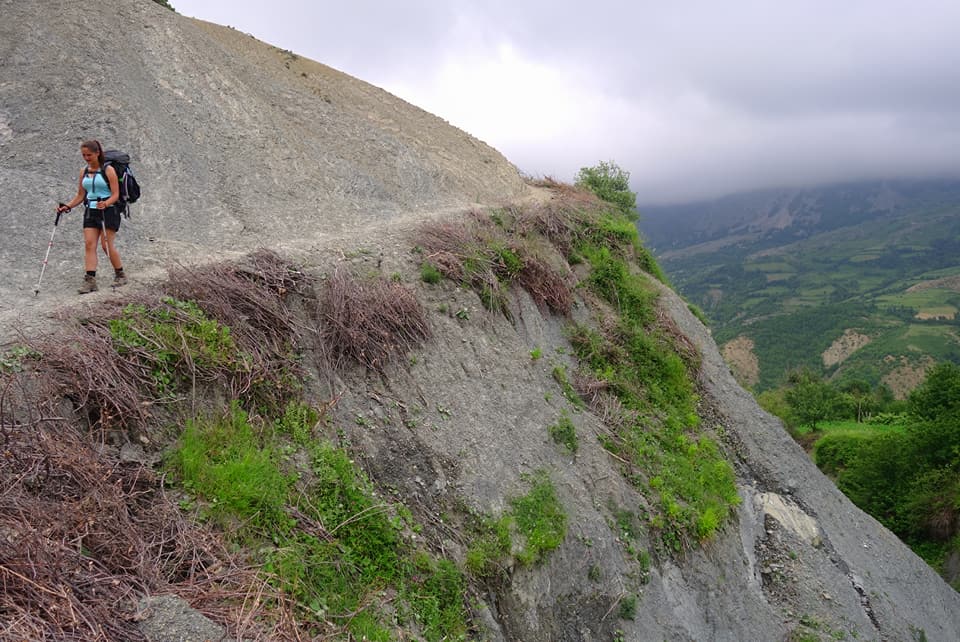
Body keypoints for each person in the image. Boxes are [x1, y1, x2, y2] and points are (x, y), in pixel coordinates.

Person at [56, 140, 127, 293]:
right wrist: (67, 206)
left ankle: (120, 274)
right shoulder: (84, 171)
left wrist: (106, 203)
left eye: (89, 155)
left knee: (106, 245)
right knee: (89, 244)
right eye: (84, 155)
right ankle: (90, 281)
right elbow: (81, 195)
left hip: (109, 211)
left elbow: (116, 194)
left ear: (97, 153)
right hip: (91, 210)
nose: (86, 158)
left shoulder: (108, 170)